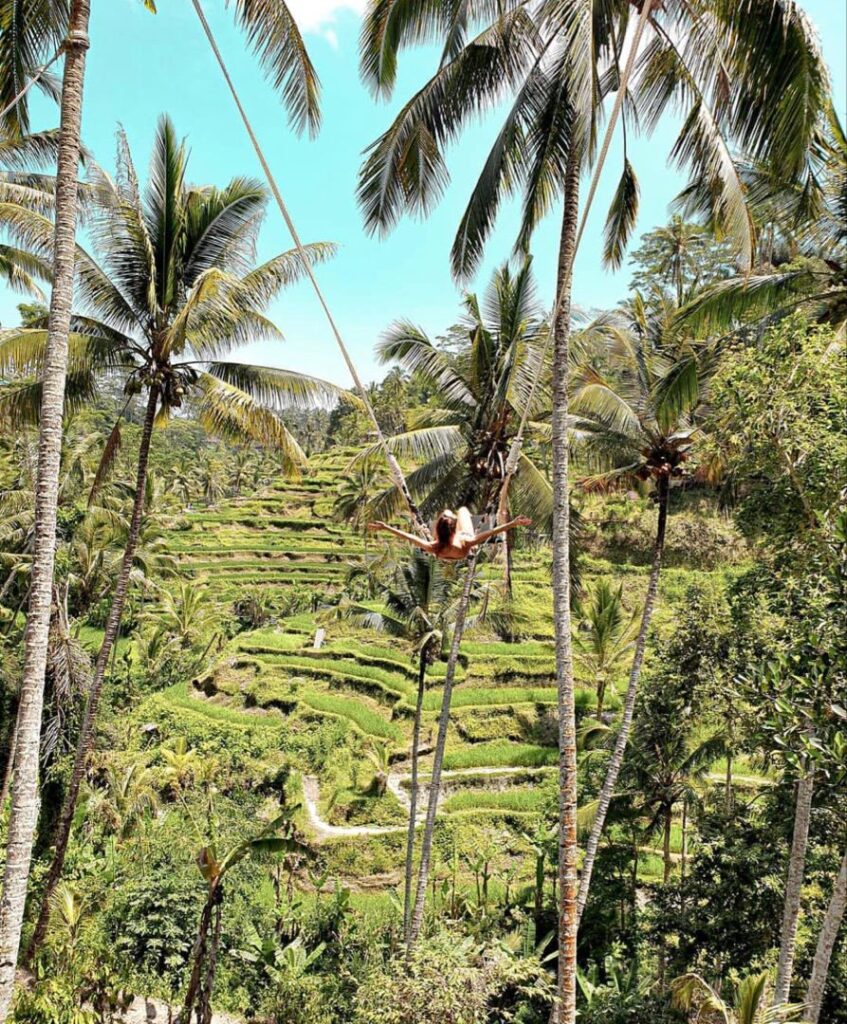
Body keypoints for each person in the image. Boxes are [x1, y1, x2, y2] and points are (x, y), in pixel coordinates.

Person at [368, 507, 532, 561]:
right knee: (462, 510)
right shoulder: (465, 542)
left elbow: (410, 537)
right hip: (461, 545)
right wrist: (513, 523)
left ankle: (448, 517)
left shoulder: (434, 546)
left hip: (444, 550)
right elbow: (492, 532)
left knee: (446, 512)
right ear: (454, 530)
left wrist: (386, 527)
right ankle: (452, 517)